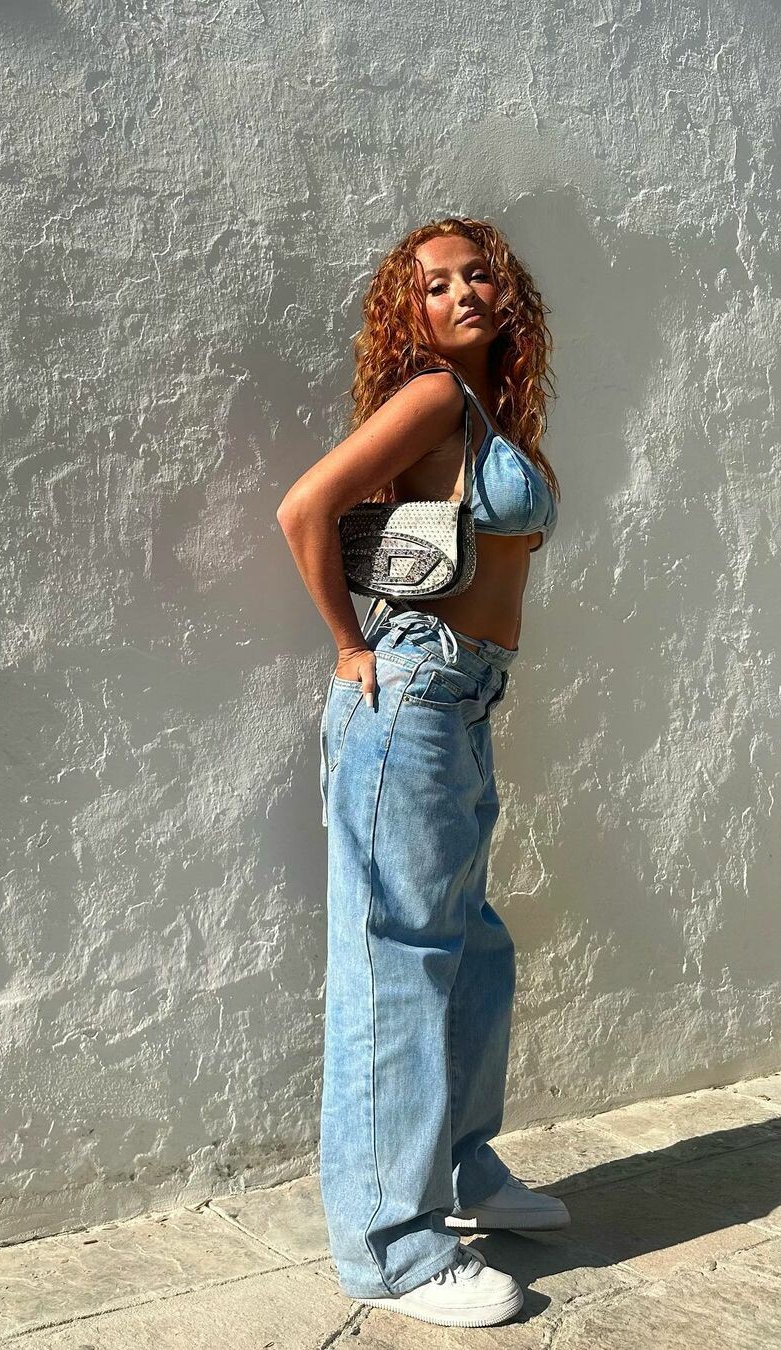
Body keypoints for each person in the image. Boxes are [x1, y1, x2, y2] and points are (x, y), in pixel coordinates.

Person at [277, 216, 568, 1329]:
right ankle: (391, 1251)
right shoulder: (435, 396)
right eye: (433, 284)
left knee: (473, 949)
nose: (461, 293)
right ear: (410, 313)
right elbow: (304, 509)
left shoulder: (487, 413)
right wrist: (349, 646)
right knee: (397, 961)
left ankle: (462, 1171)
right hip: (410, 696)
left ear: (508, 292)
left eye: (477, 273)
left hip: (464, 704)